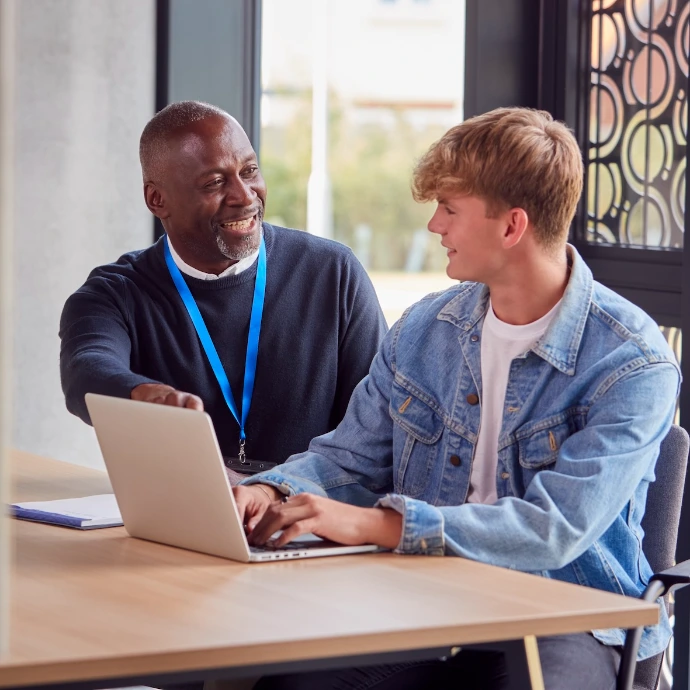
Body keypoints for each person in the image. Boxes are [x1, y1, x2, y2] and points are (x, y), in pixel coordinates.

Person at [234, 107, 681, 690]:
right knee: (296, 685)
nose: (434, 227)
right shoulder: (424, 329)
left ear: (511, 226)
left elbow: (555, 529)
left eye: (449, 208)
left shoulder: (632, 361)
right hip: (429, 598)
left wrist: (381, 526)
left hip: (570, 612)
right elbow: (347, 458)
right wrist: (270, 490)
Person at [60, 101, 387, 476]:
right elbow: (85, 368)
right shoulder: (115, 292)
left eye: (249, 171)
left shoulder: (333, 273)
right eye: (215, 183)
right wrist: (147, 395)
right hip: (183, 515)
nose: (245, 196)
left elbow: (375, 424)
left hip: (310, 511)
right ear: (157, 199)